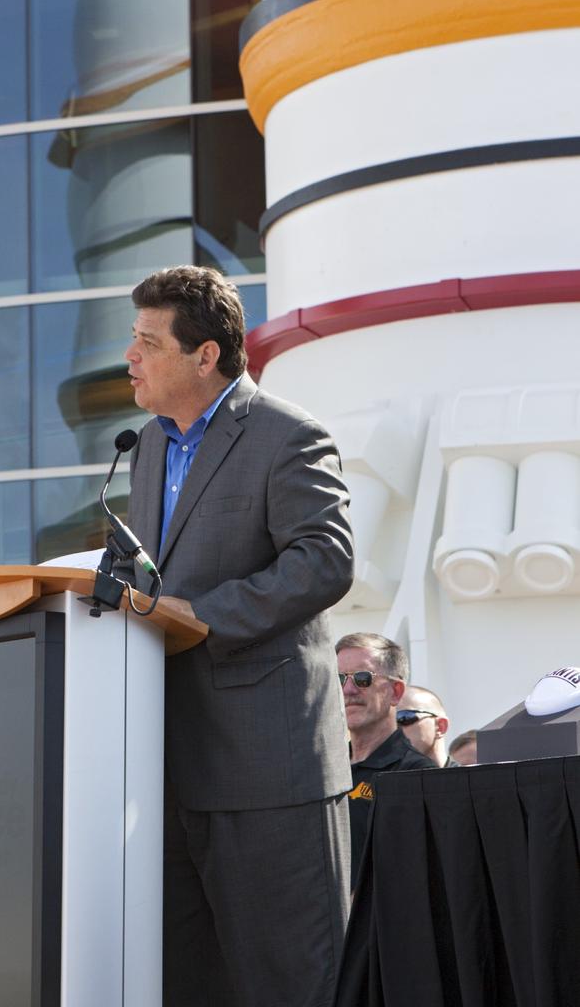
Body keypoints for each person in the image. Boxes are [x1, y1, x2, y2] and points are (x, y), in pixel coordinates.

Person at [121, 265, 354, 1007]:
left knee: (289, 982)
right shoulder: (149, 449)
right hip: (168, 769)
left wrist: (202, 617)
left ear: (204, 356)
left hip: (266, 767)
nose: (130, 358)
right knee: (189, 983)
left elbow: (325, 559)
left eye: (146, 343)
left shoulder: (287, 435)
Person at [336, 634, 437, 888]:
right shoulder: (324, 772)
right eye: (339, 679)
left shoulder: (416, 775)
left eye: (363, 678)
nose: (348, 690)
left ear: (396, 692)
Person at [397, 684, 456, 767]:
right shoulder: (380, 778)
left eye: (403, 718)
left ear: (440, 726)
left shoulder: (470, 778)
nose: (394, 728)